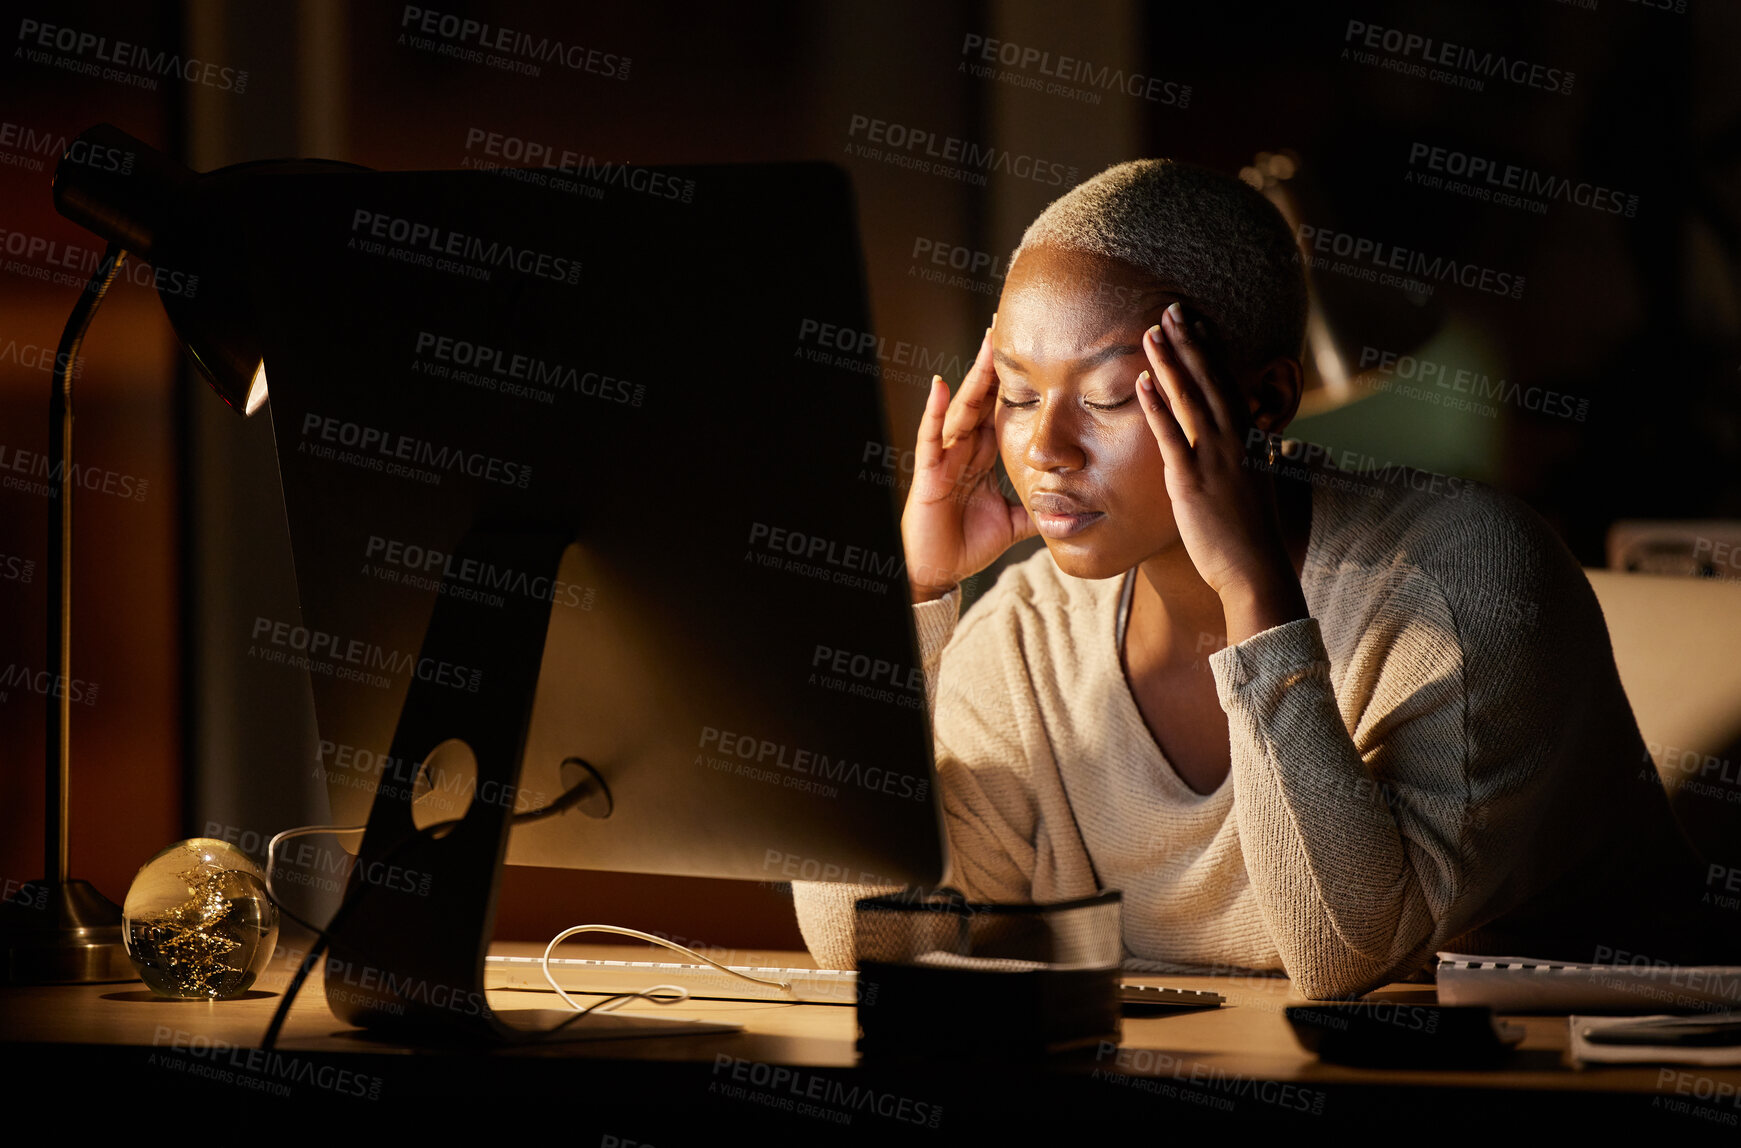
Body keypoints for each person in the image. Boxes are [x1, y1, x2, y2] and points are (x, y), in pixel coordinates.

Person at [792, 159, 1723, 999]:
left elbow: (1342, 953)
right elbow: (858, 937)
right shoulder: (1031, 632)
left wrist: (1253, 597)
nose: (1043, 449)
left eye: (1111, 397)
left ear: (1265, 399)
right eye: (1021, 395)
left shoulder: (1462, 581)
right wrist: (910, 600)